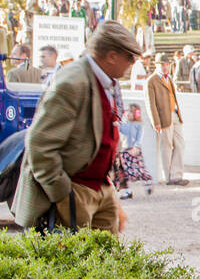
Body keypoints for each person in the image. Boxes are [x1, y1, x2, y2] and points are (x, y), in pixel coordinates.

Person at [11, 20, 142, 233]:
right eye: (130, 57)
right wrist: (63, 193)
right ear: (111, 56)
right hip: (75, 187)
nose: (132, 63)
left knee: (105, 259)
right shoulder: (73, 82)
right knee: (75, 259)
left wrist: (107, 191)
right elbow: (39, 144)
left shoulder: (105, 80)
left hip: (98, 184)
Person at [146, 53, 187, 186]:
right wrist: (155, 121)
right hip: (164, 116)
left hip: (175, 114)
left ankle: (177, 174)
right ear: (156, 65)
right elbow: (150, 103)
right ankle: (168, 175)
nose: (165, 67)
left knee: (180, 144)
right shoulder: (151, 81)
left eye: (167, 65)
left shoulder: (169, 78)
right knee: (166, 146)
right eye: (162, 65)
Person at [115, 102, 153, 199]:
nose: (128, 114)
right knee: (125, 172)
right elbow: (121, 129)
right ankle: (128, 191)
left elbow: (139, 137)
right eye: (127, 112)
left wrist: (137, 146)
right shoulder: (125, 124)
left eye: (130, 112)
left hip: (134, 151)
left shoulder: (139, 125)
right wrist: (117, 123)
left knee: (139, 170)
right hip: (125, 151)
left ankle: (148, 183)